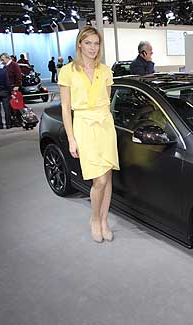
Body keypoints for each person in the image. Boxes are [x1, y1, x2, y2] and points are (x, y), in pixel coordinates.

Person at [58, 26, 120, 243]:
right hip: (83, 126)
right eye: (88, 43)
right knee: (99, 180)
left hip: (105, 126)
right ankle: (94, 219)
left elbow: (107, 100)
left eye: (96, 43)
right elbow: (66, 108)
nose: (93, 47)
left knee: (108, 176)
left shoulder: (105, 71)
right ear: (79, 45)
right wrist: (71, 138)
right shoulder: (67, 71)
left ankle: (104, 221)